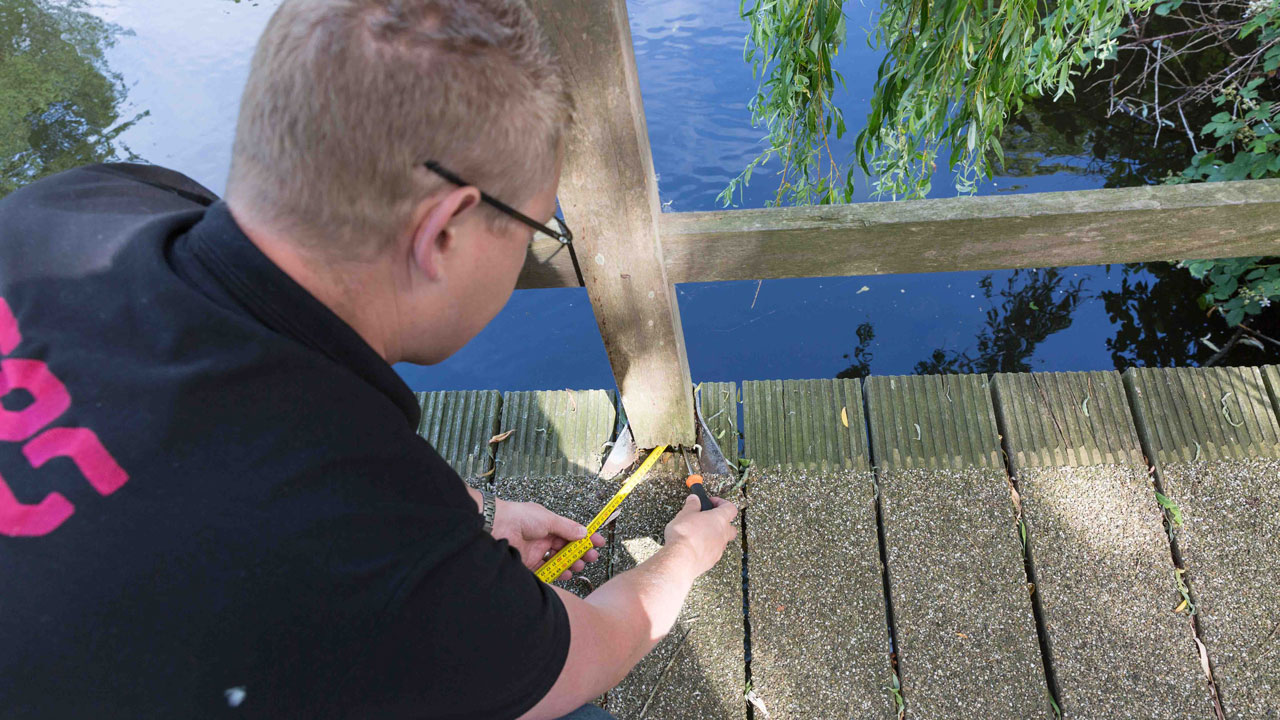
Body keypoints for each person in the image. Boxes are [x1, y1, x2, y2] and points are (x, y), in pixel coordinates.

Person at [0, 1, 739, 718]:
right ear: (444, 230)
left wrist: (468, 523)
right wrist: (682, 556)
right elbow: (590, 650)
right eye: (536, 226)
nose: (536, 246)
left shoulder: (82, 203)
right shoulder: (363, 529)